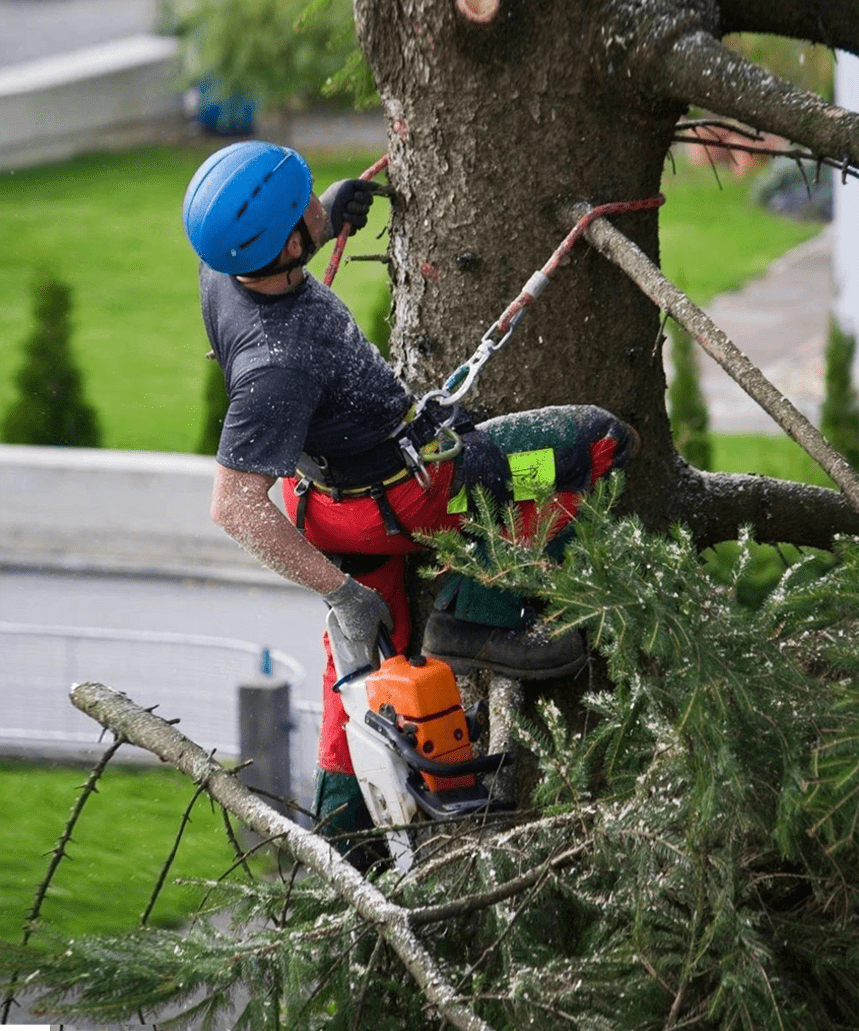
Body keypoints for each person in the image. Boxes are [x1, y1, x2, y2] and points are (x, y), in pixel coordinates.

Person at [182, 141, 640, 860]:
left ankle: (347, 839)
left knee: (357, 675)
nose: (314, 208)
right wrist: (339, 593)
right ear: (279, 243)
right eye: (303, 208)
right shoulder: (278, 364)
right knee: (591, 443)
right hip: (408, 498)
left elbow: (272, 241)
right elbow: (233, 504)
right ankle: (477, 615)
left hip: (330, 505)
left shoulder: (223, 268)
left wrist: (325, 218)